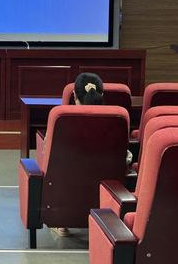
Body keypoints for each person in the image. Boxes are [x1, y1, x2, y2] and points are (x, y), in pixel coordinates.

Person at [51, 72, 131, 238]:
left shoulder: (61, 119)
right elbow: (125, 158)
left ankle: (62, 224)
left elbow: (50, 157)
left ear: (74, 95)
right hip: (106, 200)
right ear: (102, 95)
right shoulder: (119, 118)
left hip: (70, 194)